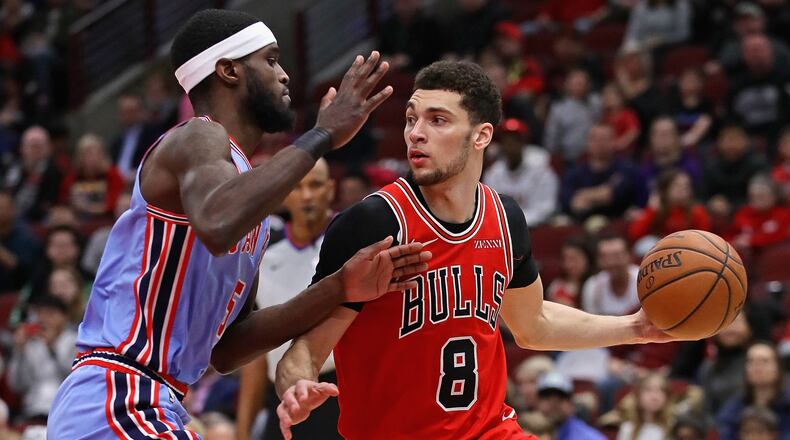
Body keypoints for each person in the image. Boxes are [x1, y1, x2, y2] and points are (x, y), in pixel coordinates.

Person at [46, 9, 430, 439]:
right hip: (118, 393)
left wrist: (340, 287)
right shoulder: (198, 137)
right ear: (228, 70)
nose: (285, 75)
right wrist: (322, 134)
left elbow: (227, 349)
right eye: (270, 60)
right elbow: (217, 220)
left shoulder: (249, 203)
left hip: (155, 400)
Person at [274, 60, 676, 440]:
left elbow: (533, 324)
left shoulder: (505, 219)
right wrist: (295, 386)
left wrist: (635, 327)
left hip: (491, 430)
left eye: (437, 120)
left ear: (481, 135)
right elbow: (306, 349)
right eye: (411, 118)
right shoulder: (373, 224)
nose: (416, 132)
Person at [235, 159, 341, 440]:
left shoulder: (351, 245)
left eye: (315, 185)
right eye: (297, 187)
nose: (307, 196)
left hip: (341, 395)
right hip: (283, 399)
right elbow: (255, 359)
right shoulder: (263, 258)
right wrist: (242, 432)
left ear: (331, 190)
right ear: (285, 195)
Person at [483, 118, 558, 226]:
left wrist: (516, 223)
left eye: (515, 140)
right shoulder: (494, 172)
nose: (510, 145)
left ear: (524, 143)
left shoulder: (541, 171)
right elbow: (489, 209)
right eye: (507, 140)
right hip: (503, 229)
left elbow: (546, 209)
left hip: (535, 228)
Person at [716, 342, 790, 440]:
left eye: (764, 361)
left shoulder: (787, 405)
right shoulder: (734, 407)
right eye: (751, 361)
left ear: (778, 367)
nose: (757, 367)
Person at [535, 371, 606, 440]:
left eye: (560, 397)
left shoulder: (588, 437)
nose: (553, 404)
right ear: (537, 402)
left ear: (571, 404)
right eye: (547, 397)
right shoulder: (527, 432)